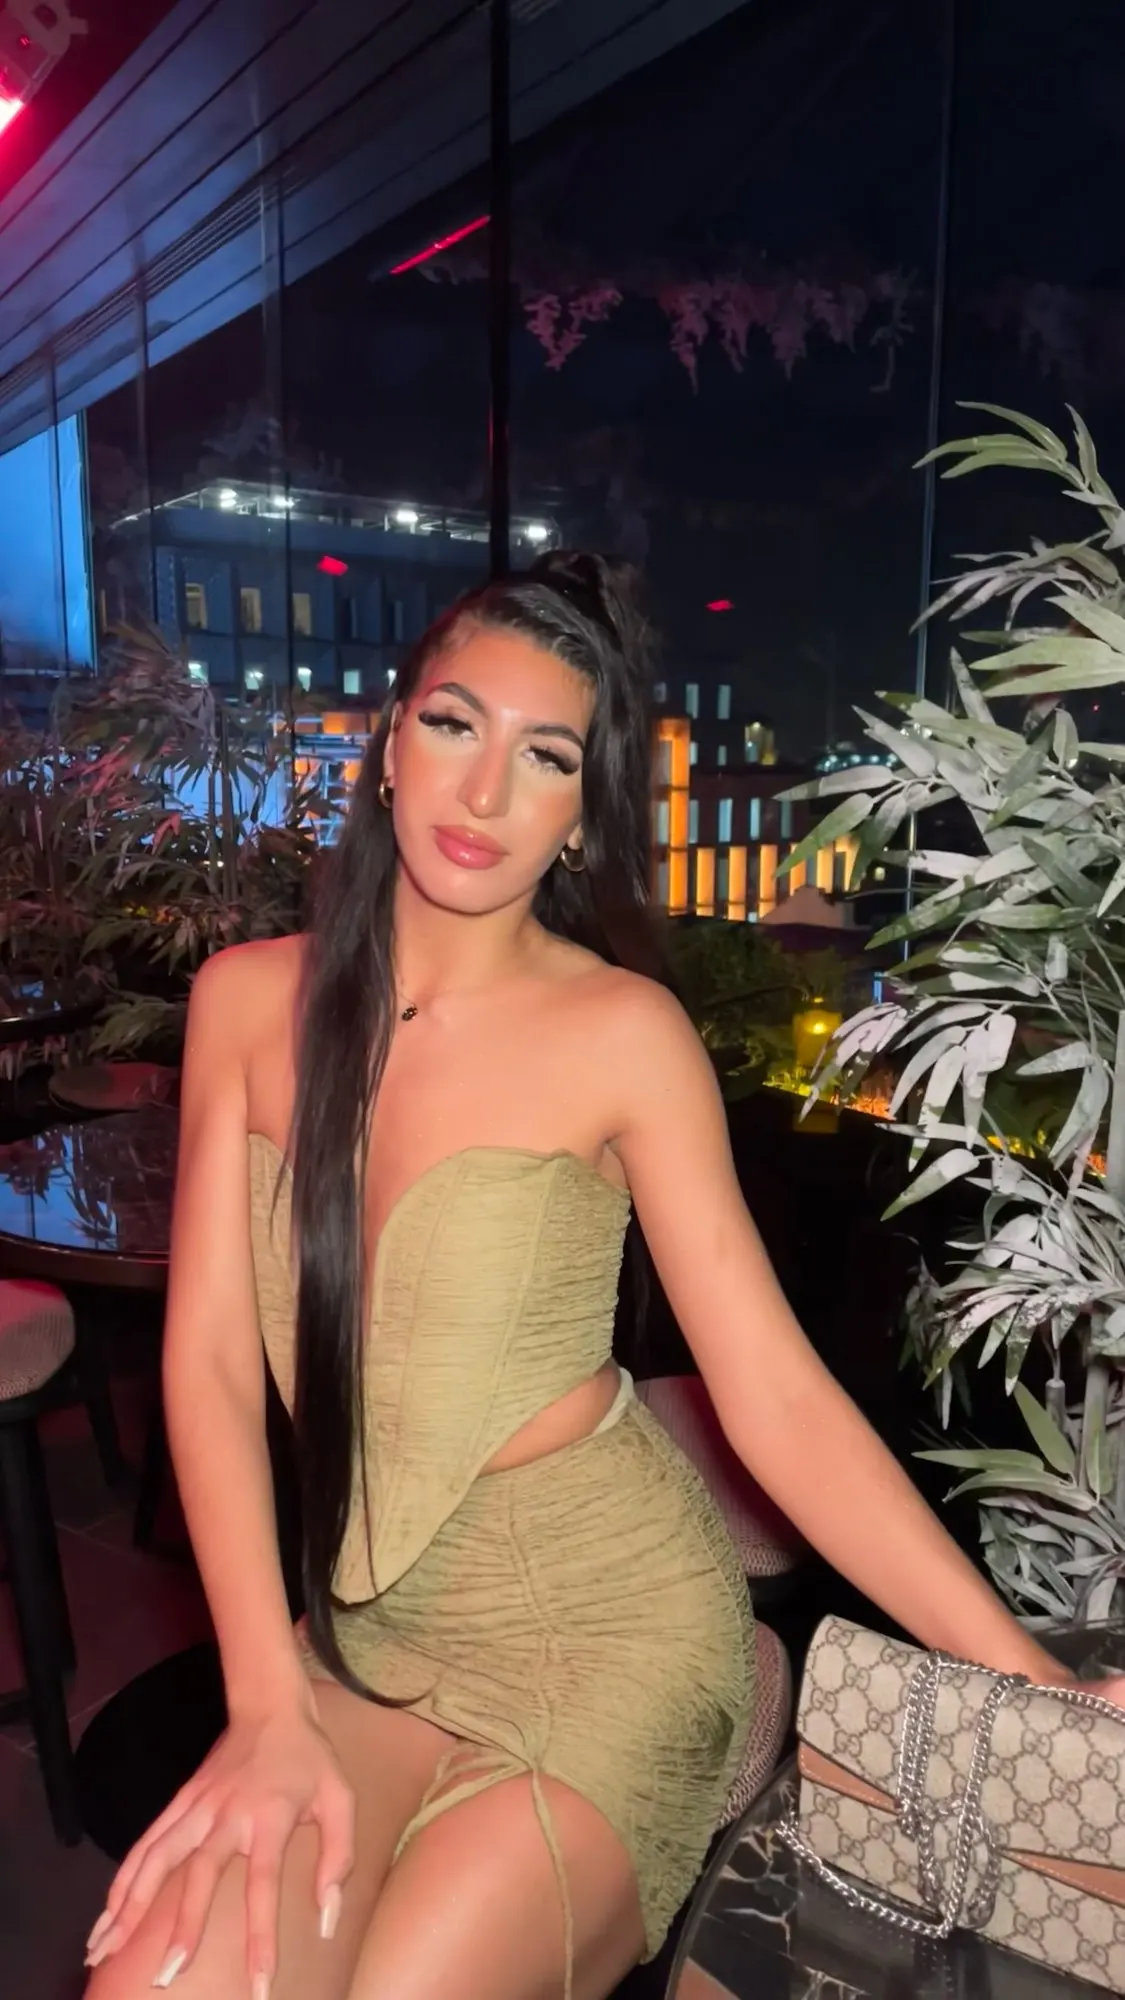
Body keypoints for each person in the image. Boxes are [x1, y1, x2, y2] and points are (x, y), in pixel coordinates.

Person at [83, 553, 1117, 2000]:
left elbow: (778, 1399)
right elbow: (203, 1364)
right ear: (389, 745)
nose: (484, 790)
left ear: (582, 814)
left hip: (607, 1629)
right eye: (456, 724)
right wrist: (265, 1703)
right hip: (369, 1640)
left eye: (546, 756)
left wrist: (1034, 1683)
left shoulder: (623, 1035)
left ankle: (716, 1720)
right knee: (164, 1980)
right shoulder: (245, 1000)